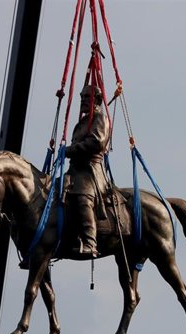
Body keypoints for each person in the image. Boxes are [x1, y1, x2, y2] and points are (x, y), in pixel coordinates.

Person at [65, 84, 111, 258]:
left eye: (87, 97)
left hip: (90, 171)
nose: (83, 100)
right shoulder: (83, 122)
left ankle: (90, 242)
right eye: (82, 97)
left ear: (97, 99)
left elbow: (95, 143)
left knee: (82, 199)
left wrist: (69, 150)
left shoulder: (99, 118)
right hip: (75, 170)